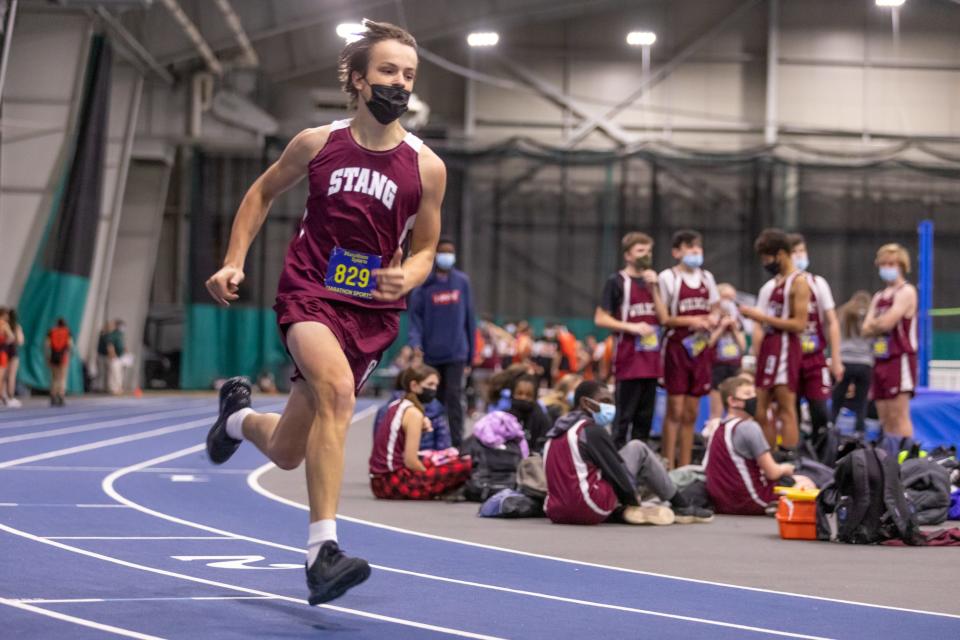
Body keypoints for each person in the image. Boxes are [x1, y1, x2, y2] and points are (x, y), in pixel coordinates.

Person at [202, 20, 446, 605]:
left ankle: (235, 419)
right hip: (310, 291)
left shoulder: (426, 167)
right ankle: (322, 552)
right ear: (359, 79)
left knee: (288, 450)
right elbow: (261, 193)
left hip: (371, 313)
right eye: (388, 71)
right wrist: (234, 261)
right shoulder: (317, 142)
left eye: (409, 75)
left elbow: (427, 247)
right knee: (338, 393)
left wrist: (406, 275)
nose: (400, 84)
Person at [542, 380, 713, 526]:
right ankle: (681, 506)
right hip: (589, 507)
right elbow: (618, 472)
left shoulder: (556, 431)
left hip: (556, 511)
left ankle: (618, 510)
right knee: (638, 448)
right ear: (585, 403)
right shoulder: (591, 430)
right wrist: (633, 501)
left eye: (611, 402)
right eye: (604, 401)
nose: (609, 407)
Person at [740, 228, 811, 456]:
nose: (765, 263)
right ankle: (767, 456)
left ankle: (789, 457)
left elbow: (799, 324)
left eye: (767, 257)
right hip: (770, 347)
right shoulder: (775, 284)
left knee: (785, 407)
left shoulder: (799, 282)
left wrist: (760, 318)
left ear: (780, 254)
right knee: (760, 409)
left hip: (786, 347)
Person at [595, 232, 668, 448]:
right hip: (629, 361)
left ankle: (639, 467)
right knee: (623, 419)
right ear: (628, 255)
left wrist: (654, 287)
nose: (646, 255)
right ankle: (616, 465)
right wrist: (631, 327)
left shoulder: (654, 282)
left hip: (652, 362)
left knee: (644, 422)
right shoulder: (617, 282)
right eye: (640, 251)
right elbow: (600, 318)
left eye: (649, 251)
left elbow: (664, 318)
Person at [705, 376, 816, 516]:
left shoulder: (717, 427)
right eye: (747, 394)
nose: (753, 398)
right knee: (805, 482)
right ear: (732, 401)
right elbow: (772, 472)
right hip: (751, 500)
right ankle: (777, 505)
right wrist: (787, 468)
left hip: (720, 502)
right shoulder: (749, 427)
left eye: (753, 394)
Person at [659, 230, 720, 468]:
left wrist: (712, 318)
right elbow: (663, 317)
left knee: (691, 412)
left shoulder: (707, 278)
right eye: (689, 247)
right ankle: (667, 465)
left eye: (698, 247)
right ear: (676, 252)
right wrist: (692, 321)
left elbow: (715, 307)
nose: (695, 251)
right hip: (677, 346)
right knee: (675, 409)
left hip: (700, 348)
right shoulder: (668, 277)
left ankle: (684, 468)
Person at [407, 237, 476, 447]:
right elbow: (415, 319)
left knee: (454, 398)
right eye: (443, 251)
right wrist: (415, 343)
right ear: (436, 255)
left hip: (456, 353)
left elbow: (469, 319)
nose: (447, 256)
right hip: (431, 354)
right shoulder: (425, 285)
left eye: (450, 252)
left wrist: (471, 356)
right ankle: (429, 441)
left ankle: (457, 444)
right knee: (431, 398)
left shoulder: (462, 282)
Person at [369, 365, 471, 499]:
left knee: (438, 460)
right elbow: (411, 461)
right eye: (430, 384)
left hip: (378, 481)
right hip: (392, 482)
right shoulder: (414, 414)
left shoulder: (396, 405)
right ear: (414, 385)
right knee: (465, 464)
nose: (433, 389)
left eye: (436, 385)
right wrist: (432, 476)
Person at [788, 234, 843, 442]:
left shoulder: (818, 283)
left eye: (802, 251)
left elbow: (832, 321)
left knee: (819, 409)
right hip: (790, 358)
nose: (799, 256)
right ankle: (794, 454)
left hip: (815, 357)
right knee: (789, 409)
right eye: (794, 252)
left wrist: (836, 358)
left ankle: (821, 456)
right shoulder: (779, 285)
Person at [861, 243, 918, 441]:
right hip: (880, 358)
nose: (887, 267)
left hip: (899, 358)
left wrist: (876, 324)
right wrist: (878, 324)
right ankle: (890, 459)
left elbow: (887, 323)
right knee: (884, 417)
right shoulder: (879, 296)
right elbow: (865, 329)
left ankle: (906, 459)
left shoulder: (907, 291)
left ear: (901, 265)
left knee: (898, 416)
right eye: (883, 263)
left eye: (891, 263)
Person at [831, 291, 874, 433]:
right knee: (861, 403)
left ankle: (829, 429)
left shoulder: (842, 312)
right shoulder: (871, 315)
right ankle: (860, 432)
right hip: (864, 363)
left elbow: (834, 335)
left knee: (837, 400)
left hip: (845, 362)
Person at [708, 284, 746, 420]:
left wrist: (735, 329)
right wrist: (721, 328)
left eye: (732, 299)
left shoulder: (737, 320)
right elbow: (708, 343)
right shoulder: (711, 319)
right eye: (726, 298)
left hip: (734, 366)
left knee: (735, 410)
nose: (729, 302)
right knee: (716, 412)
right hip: (717, 367)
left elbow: (743, 347)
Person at [507, 373, 552, 454]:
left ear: (534, 397)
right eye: (519, 393)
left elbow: (544, 446)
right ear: (513, 394)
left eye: (528, 395)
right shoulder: (505, 416)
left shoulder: (542, 419)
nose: (523, 397)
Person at [45, 318, 73, 406]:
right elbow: (70, 345)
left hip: (53, 356)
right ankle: (61, 396)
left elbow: (46, 345)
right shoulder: (67, 332)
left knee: (54, 377)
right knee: (62, 378)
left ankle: (53, 396)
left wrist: (47, 357)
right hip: (63, 357)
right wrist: (70, 354)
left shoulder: (51, 331)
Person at [1, 308, 23, 407]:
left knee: (3, 376)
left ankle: (3, 396)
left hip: (5, 351)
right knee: (11, 376)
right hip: (10, 352)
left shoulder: (4, 324)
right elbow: (20, 341)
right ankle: (10, 397)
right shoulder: (13, 326)